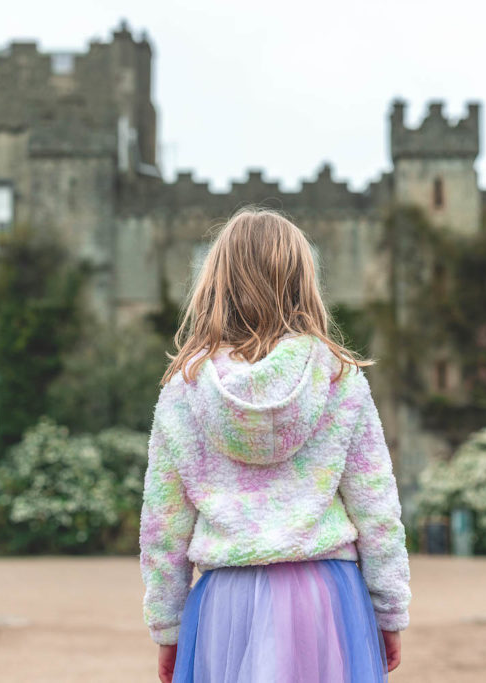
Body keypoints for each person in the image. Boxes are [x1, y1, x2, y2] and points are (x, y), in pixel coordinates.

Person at [138, 206, 411, 682]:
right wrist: (389, 612)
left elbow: (163, 527)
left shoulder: (183, 390)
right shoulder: (339, 380)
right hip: (328, 600)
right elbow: (377, 506)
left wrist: (167, 626)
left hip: (225, 603)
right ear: (304, 284)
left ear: (216, 283)